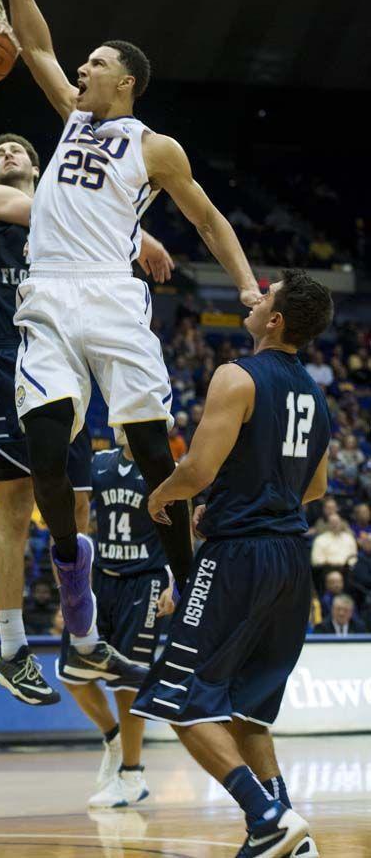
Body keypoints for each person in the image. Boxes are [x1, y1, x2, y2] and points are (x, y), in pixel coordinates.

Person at [0, 0, 261, 649]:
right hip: (47, 295)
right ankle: (72, 568)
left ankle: (184, 578)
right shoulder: (71, 115)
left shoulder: (156, 147)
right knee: (46, 451)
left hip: (111, 297)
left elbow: (207, 218)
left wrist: (248, 287)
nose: (82, 70)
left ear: (127, 81)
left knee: (148, 450)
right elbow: (36, 45)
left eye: (97, 64)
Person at [132, 270, 333, 858]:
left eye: (265, 296)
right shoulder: (317, 394)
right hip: (292, 560)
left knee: (177, 700)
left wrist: (164, 496)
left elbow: (196, 471)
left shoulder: (236, 375)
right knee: (249, 714)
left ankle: (266, 816)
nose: (256, 296)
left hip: (239, 555)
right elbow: (314, 487)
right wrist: (250, 496)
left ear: (273, 321)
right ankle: (289, 835)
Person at [0, 133, 160, 705]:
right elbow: (64, 213)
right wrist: (137, 235)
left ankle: (83, 640)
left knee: (75, 508)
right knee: (16, 505)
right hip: (5, 360)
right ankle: (12, 650)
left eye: (18, 149)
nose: (6, 154)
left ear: (39, 163)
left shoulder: (65, 229)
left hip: (60, 363)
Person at [57, 444, 172, 808]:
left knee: (128, 683)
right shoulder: (100, 462)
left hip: (145, 581)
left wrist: (177, 580)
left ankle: (133, 774)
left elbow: (181, 526)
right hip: (101, 578)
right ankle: (113, 737)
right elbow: (77, 503)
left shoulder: (164, 465)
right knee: (71, 674)